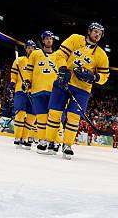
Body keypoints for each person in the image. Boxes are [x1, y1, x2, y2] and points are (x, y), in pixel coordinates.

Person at [43, 23, 110, 159]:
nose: (97, 35)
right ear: (89, 31)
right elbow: (60, 55)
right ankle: (49, 141)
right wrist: (63, 69)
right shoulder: (74, 39)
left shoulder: (101, 55)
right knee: (54, 113)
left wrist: (93, 76)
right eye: (95, 31)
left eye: (100, 33)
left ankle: (67, 144)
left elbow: (104, 77)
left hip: (82, 89)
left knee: (73, 117)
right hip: (63, 82)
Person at [25, 31, 66, 155]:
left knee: (53, 118)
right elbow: (29, 70)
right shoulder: (35, 54)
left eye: (51, 39)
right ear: (43, 41)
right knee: (41, 118)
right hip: (37, 90)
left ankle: (53, 141)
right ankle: (43, 141)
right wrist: (27, 81)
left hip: (53, 91)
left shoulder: (58, 55)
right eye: (46, 39)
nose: (49, 40)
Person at [10, 40, 36, 149]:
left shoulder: (38, 61)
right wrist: (12, 82)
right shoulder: (19, 60)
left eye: (32, 47)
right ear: (25, 49)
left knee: (31, 116)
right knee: (20, 113)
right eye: (28, 47)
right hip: (20, 90)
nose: (30, 49)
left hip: (34, 92)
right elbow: (14, 73)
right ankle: (17, 137)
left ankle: (24, 138)